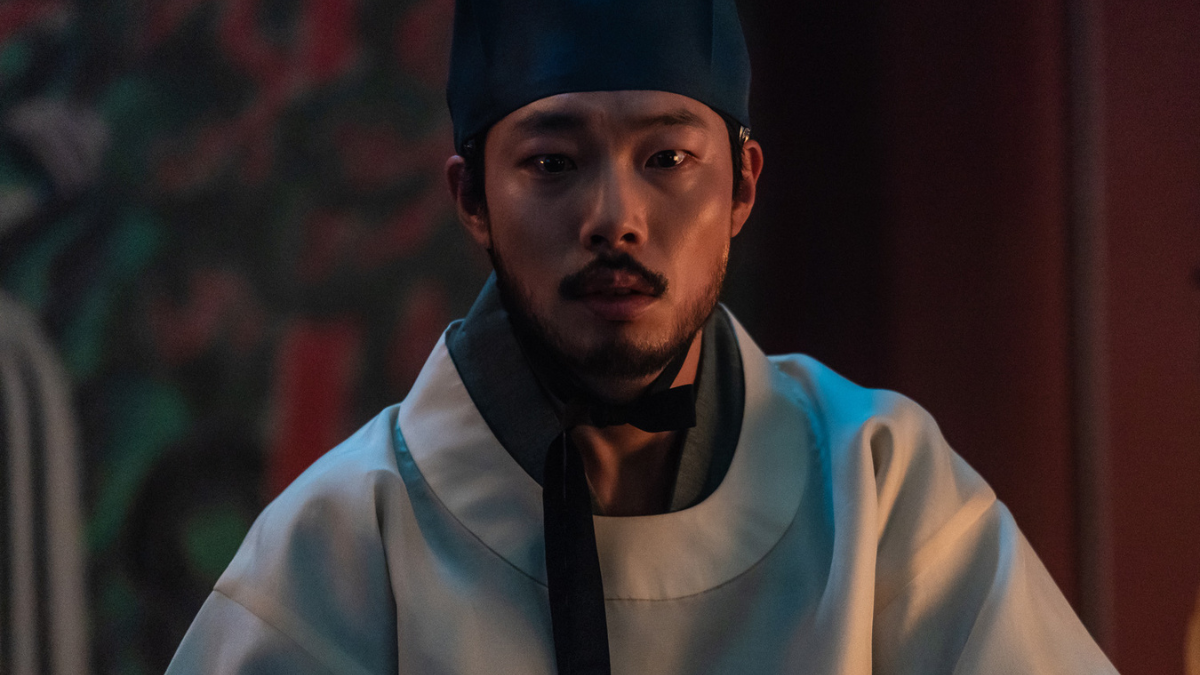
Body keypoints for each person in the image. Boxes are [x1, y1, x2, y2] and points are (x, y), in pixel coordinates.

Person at [167, 0, 1118, 672]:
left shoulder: (880, 486)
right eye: (552, 164)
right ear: (472, 199)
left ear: (742, 186)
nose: (615, 217)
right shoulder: (340, 545)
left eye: (667, 158)